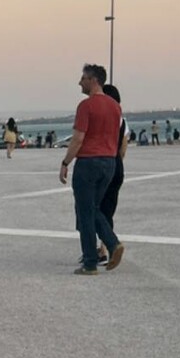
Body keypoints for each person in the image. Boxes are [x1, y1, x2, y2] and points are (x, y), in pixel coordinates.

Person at [60, 64, 123, 274]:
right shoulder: (115, 107)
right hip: (109, 163)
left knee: (85, 212)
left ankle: (91, 262)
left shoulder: (86, 106)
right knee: (93, 209)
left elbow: (78, 139)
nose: (80, 82)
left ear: (93, 80)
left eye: (83, 78)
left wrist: (65, 162)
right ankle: (111, 245)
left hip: (88, 163)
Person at [96, 84, 128, 260]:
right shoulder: (123, 121)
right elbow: (123, 149)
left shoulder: (101, 118)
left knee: (94, 207)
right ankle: (105, 247)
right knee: (108, 208)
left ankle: (105, 247)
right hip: (116, 164)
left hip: (101, 163)